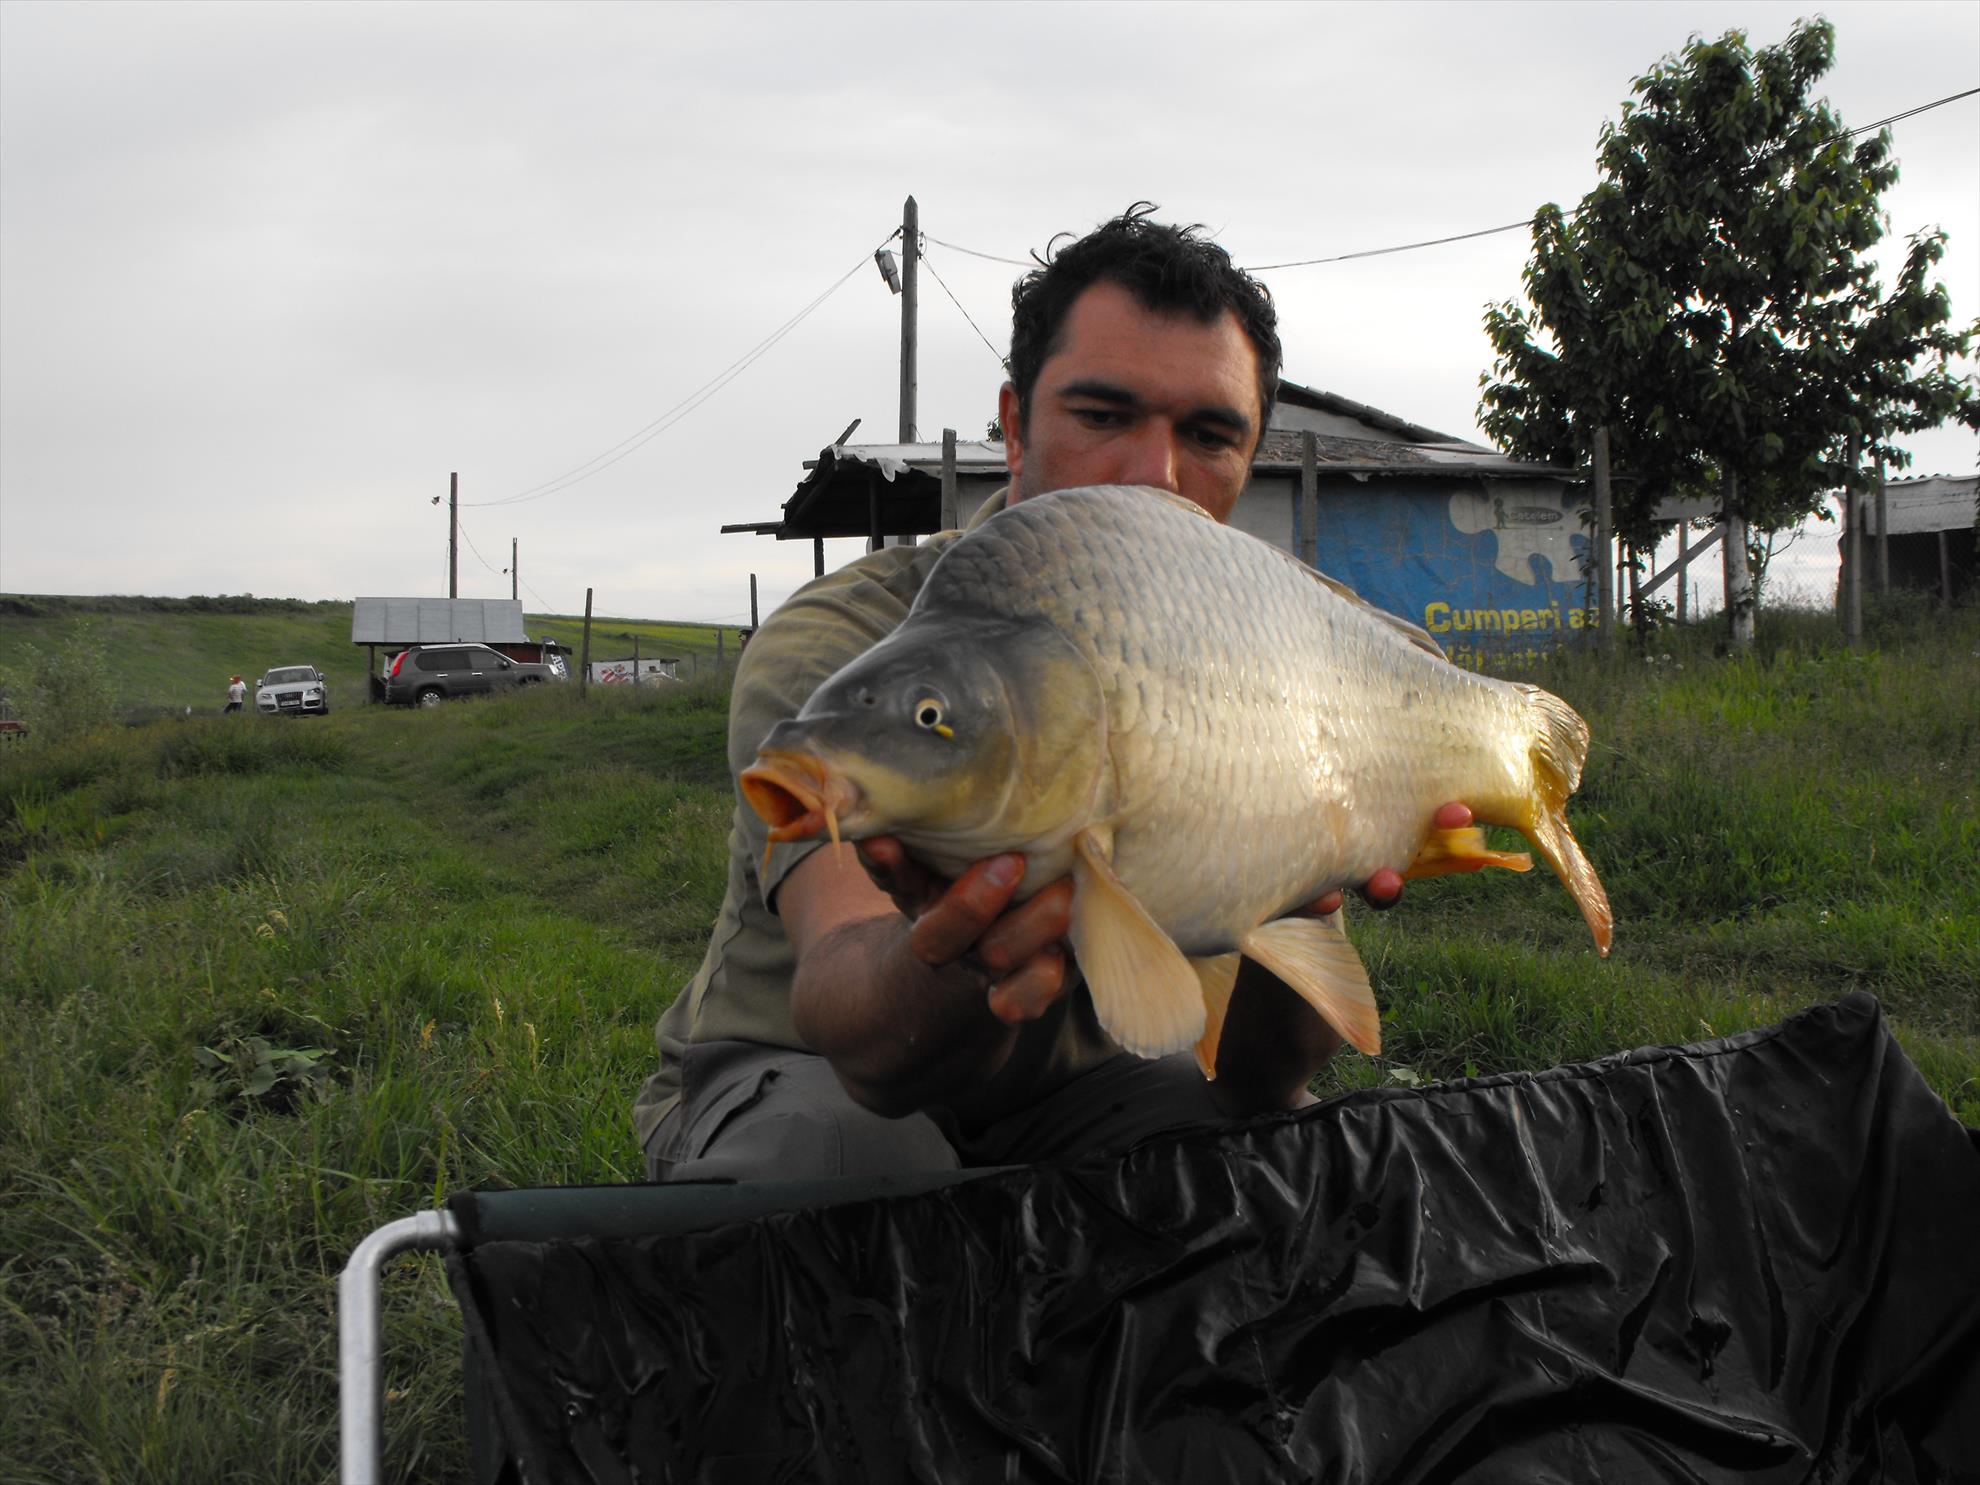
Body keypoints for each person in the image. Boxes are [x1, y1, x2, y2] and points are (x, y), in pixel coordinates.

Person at [634, 205, 1468, 1182]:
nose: (1154, 475)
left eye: (1208, 434)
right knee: (854, 1168)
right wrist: (965, 955)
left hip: (1087, 1082)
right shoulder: (854, 645)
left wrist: (1302, 892)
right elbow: (854, 1016)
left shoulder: (1260, 655)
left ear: (1250, 460)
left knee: (1263, 1174)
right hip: (804, 1071)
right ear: (1017, 424)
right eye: (1103, 416)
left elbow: (1256, 1083)